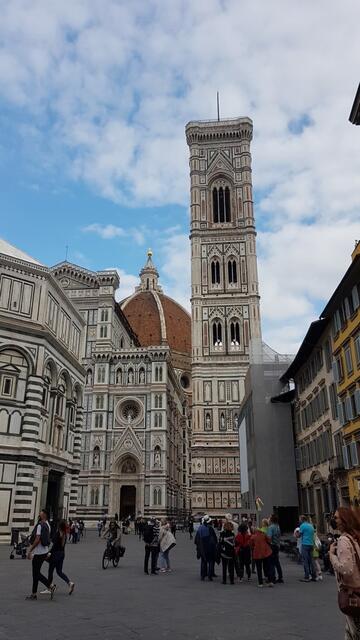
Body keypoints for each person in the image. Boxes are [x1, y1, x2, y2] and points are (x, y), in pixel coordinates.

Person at [329, 508, 360, 640]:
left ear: (344, 520)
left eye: (336, 518)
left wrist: (331, 556)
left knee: (354, 631)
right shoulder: (354, 537)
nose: (333, 520)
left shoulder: (343, 540)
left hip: (352, 591)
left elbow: (346, 569)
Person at [26, 509, 56, 601]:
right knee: (36, 573)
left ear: (44, 515)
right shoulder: (48, 525)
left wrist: (30, 550)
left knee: (36, 573)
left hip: (39, 552)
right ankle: (34, 594)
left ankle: (50, 586)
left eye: (41, 514)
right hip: (45, 551)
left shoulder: (40, 525)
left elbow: (37, 539)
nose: (39, 515)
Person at [42, 520, 75, 595]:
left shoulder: (58, 534)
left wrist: (49, 552)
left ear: (59, 526)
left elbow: (54, 545)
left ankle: (49, 588)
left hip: (55, 555)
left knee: (50, 571)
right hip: (62, 554)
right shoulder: (64, 534)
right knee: (59, 571)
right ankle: (70, 583)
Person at [194, 515, 218, 581]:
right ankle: (210, 576)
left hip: (202, 548)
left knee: (203, 561)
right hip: (210, 547)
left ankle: (203, 576)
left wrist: (199, 546)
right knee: (210, 561)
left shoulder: (200, 528)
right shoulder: (210, 528)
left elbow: (196, 540)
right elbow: (214, 539)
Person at [296, 515, 316, 582]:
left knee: (305, 561)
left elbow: (299, 536)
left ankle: (307, 576)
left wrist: (296, 533)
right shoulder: (311, 526)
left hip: (305, 544)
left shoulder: (302, 526)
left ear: (302, 519)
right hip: (311, 544)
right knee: (312, 561)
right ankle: (314, 575)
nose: (299, 521)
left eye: (299, 519)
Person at [268, 514, 284, 583]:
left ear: (271, 519)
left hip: (272, 545)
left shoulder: (271, 527)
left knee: (271, 562)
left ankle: (272, 578)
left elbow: (269, 537)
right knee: (277, 562)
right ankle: (280, 577)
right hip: (277, 545)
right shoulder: (278, 526)